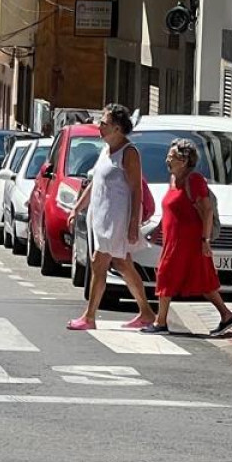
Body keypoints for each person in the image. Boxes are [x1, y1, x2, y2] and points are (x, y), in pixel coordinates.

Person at [67, 104, 156, 331]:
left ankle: (90, 316)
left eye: (104, 123)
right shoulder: (106, 150)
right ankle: (146, 312)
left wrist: (133, 224)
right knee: (123, 264)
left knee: (99, 262)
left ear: (117, 128)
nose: (100, 127)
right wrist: (77, 208)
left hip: (117, 219)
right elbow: (95, 181)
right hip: (101, 218)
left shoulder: (129, 153)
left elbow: (136, 191)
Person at [146, 137, 232, 337]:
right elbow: (170, 210)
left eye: (172, 157)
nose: (167, 161)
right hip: (174, 240)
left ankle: (160, 321)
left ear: (184, 160)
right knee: (202, 280)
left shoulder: (194, 180)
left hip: (189, 241)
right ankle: (226, 315)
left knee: (165, 274)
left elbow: (207, 211)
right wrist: (157, 230)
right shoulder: (173, 180)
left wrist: (205, 240)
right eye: (168, 156)